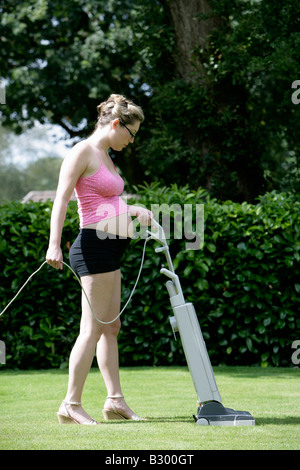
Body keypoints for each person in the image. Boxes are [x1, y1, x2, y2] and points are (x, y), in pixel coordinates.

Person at [46, 94, 153, 425]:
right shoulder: (82, 152)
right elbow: (62, 200)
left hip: (110, 249)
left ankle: (115, 401)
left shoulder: (106, 157)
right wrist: (54, 245)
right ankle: (70, 404)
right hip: (92, 247)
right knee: (91, 329)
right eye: (131, 134)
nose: (131, 141)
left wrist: (133, 210)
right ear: (117, 124)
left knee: (111, 327)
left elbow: (105, 200)